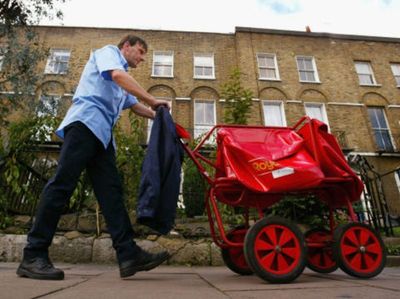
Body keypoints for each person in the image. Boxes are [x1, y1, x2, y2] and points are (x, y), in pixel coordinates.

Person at [17, 35, 170, 280]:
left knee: (111, 194)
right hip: (84, 124)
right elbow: (119, 77)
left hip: (102, 136)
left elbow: (134, 105)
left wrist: (160, 117)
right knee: (61, 186)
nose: (142, 58)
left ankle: (128, 254)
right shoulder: (108, 53)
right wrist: (152, 98)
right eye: (140, 51)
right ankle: (33, 254)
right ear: (126, 46)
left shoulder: (122, 81)